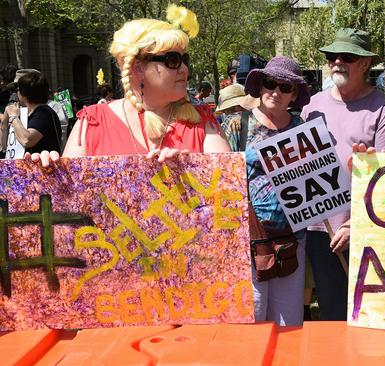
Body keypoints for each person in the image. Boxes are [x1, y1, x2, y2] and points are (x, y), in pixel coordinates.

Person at [27, 4, 230, 167]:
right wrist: (49, 177)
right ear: (137, 67)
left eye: (185, 59)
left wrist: (195, 175)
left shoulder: (205, 123)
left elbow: (233, 202)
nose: (184, 69)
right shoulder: (91, 124)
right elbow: (69, 209)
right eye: (173, 59)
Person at [300, 28, 385, 321]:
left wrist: (355, 224)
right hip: (317, 229)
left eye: (346, 56)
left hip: (360, 229)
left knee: (363, 314)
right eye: (332, 56)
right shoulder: (313, 106)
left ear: (365, 64)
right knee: (329, 313)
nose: (337, 62)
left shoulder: (383, 110)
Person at [221, 56, 311, 326]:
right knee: (252, 317)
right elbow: (223, 178)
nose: (276, 92)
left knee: (289, 322)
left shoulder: (302, 128)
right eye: (271, 83)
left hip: (292, 239)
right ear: (261, 86)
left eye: (286, 87)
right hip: (249, 239)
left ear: (294, 94)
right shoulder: (238, 123)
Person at [4, 71, 63, 155]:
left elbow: (27, 140)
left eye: (18, 90)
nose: (16, 93)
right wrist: (5, 119)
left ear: (25, 97)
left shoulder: (43, 113)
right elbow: (4, 145)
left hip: (44, 166)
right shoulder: (29, 113)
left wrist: (13, 117)